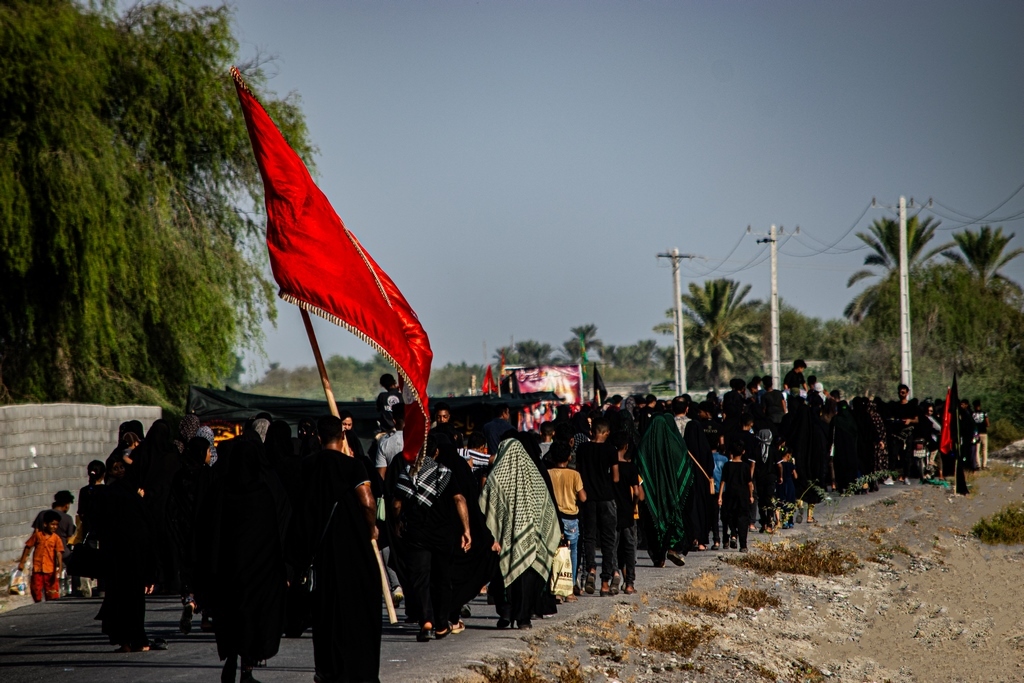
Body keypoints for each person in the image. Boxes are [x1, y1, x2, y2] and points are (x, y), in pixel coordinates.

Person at [195, 429, 290, 683]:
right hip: (257, 574)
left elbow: (208, 530)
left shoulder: (220, 489)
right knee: (253, 619)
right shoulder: (262, 493)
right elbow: (271, 536)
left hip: (226, 571)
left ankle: (231, 660)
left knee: (230, 618)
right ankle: (247, 669)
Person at [298, 416, 381, 682]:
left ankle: (327, 670)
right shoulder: (353, 466)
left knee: (325, 615)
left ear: (319, 438)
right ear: (342, 437)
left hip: (319, 553)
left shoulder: (306, 467)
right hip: (353, 551)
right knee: (357, 610)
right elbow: (367, 501)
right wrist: (372, 528)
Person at [386, 435, 471, 641]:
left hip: (416, 535)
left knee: (420, 578)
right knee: (442, 579)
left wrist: (397, 523)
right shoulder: (445, 473)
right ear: (436, 453)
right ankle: (442, 625)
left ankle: (426, 620)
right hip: (443, 535)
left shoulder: (409, 473)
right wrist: (466, 530)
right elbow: (459, 499)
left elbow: (397, 504)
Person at [479, 438, 561, 630]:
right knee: (527, 579)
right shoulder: (536, 478)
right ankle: (523, 617)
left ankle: (506, 614)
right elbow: (547, 509)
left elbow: (485, 506)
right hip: (532, 543)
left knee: (504, 576)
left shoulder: (496, 477)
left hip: (504, 542)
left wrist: (494, 536)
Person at [93, 451, 161, 652]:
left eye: (122, 467)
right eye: (116, 468)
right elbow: (147, 529)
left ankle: (126, 641)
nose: (120, 470)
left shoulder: (110, 494)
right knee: (135, 600)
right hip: (134, 556)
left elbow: (101, 525)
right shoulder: (133, 495)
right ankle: (139, 640)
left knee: (120, 599)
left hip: (119, 556)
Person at [167, 436, 213, 635]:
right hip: (204, 534)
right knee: (206, 574)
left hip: (183, 534)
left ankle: (189, 602)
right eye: (209, 451)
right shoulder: (209, 476)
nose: (210, 455)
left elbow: (171, 507)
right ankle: (206, 617)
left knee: (188, 574)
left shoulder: (178, 476)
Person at [635, 412, 692, 568]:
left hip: (649, 494)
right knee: (671, 518)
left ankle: (658, 558)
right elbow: (685, 465)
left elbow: (638, 466)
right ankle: (673, 548)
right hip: (671, 494)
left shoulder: (644, 445)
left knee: (653, 523)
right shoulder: (676, 445)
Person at [574, 418, 619, 596]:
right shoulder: (611, 450)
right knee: (608, 540)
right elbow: (615, 477)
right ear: (606, 433)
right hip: (606, 498)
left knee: (589, 537)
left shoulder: (582, 448)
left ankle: (590, 569)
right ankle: (605, 582)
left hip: (588, 499)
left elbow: (578, 471)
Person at [547, 441, 585, 601]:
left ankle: (555, 589)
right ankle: (568, 590)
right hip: (570, 519)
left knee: (553, 553)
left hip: (553, 518)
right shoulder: (574, 475)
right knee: (572, 553)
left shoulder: (548, 473)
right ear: (569, 457)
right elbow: (583, 497)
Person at [612, 432, 642, 595]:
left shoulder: (610, 467)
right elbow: (637, 492)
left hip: (612, 510)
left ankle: (614, 576)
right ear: (626, 447)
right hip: (627, 510)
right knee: (629, 547)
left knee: (613, 547)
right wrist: (634, 505)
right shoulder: (631, 467)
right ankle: (629, 583)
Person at [17, 510, 64, 602]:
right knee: (36, 589)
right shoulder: (37, 536)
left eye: (56, 525)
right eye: (52, 524)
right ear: (45, 524)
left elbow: (59, 553)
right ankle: (38, 603)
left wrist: (60, 567)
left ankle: (50, 605)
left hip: (50, 569)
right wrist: (22, 562)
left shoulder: (56, 538)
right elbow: (28, 547)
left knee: (52, 592)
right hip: (38, 569)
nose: (54, 527)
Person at [719, 441, 753, 551]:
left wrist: (720, 496)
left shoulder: (727, 465)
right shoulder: (745, 466)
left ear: (731, 452)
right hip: (742, 495)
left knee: (730, 516)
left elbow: (723, 481)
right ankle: (743, 545)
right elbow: (749, 483)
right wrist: (751, 495)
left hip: (730, 494)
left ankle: (733, 534)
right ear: (743, 452)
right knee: (743, 519)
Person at [32, 490, 76, 565]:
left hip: (43, 553)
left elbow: (35, 534)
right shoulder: (68, 518)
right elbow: (69, 539)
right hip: (63, 553)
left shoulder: (42, 514)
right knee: (75, 565)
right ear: (67, 505)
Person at [376, 401, 405, 480]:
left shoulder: (384, 442)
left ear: (394, 421)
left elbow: (381, 475)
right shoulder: (418, 440)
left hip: (393, 488)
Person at [776, 447, 798, 528]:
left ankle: (784, 520)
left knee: (782, 501)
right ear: (788, 455)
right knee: (790, 502)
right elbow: (795, 476)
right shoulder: (790, 465)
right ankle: (790, 521)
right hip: (789, 484)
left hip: (780, 484)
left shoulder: (778, 464)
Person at [972, 399, 990, 470]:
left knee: (977, 450)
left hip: (976, 433)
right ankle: (984, 465)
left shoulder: (972, 414)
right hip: (984, 432)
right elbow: (988, 424)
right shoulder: (984, 413)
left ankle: (978, 464)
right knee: (984, 449)